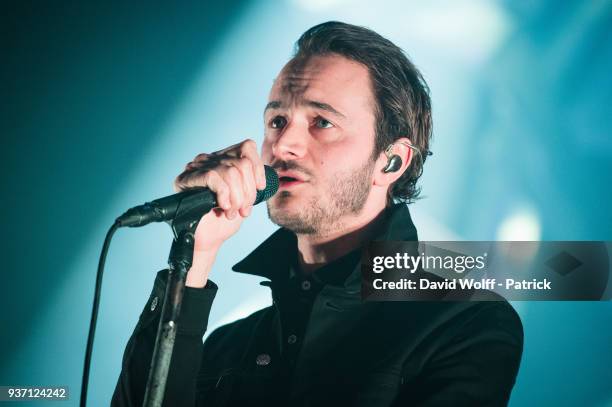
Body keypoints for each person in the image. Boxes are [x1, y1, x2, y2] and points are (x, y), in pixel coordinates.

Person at [112, 21, 523, 406]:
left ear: (391, 162)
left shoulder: (464, 323)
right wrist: (196, 255)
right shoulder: (225, 346)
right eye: (277, 120)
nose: (283, 144)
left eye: (321, 122)